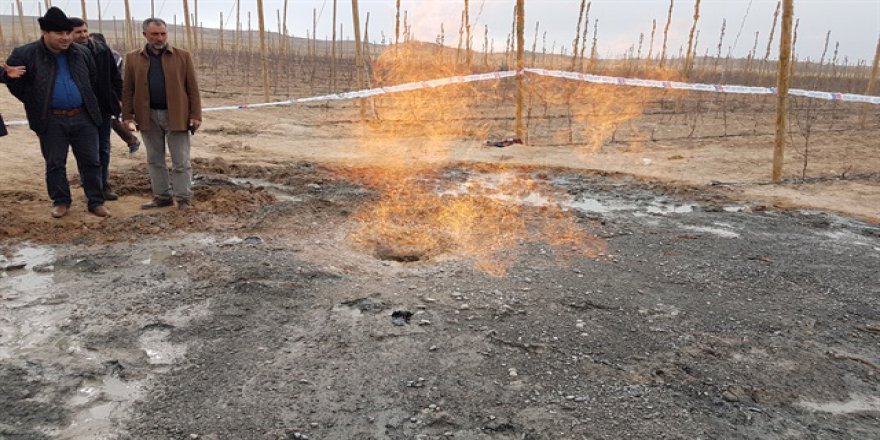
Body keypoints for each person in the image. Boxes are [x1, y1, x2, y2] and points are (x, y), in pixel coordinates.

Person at [4, 7, 109, 218]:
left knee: (91, 160)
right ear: (45, 33)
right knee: (55, 163)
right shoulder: (25, 53)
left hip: (83, 115)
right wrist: (36, 100)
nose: (66, 38)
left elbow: (92, 79)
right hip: (50, 118)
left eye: (68, 33)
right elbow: (13, 80)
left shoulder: (82, 53)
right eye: (60, 34)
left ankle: (96, 201)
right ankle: (61, 201)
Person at [122, 17, 201, 211]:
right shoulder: (133, 58)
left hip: (177, 115)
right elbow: (127, 89)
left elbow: (192, 88)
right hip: (147, 116)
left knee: (180, 160)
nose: (159, 38)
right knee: (155, 159)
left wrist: (196, 115)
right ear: (145, 35)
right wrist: (127, 116)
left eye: (163, 33)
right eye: (155, 34)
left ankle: (183, 199)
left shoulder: (182, 56)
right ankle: (162, 197)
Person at [71, 18, 122, 201]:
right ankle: (90, 187)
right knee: (86, 151)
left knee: (103, 149)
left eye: (85, 31)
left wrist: (116, 100)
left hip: (102, 109)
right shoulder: (66, 54)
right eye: (78, 32)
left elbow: (116, 78)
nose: (83, 35)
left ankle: (102, 186)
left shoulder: (102, 50)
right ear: (69, 34)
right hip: (79, 110)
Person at [91, 32, 141, 155]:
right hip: (99, 94)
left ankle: (132, 140)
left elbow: (112, 76)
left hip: (110, 93)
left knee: (112, 119)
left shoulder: (113, 55)